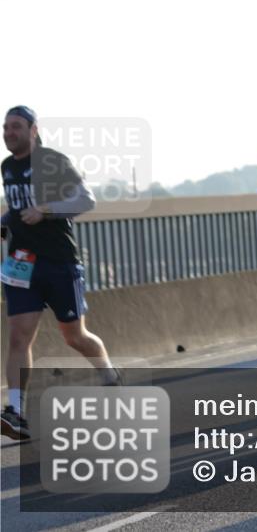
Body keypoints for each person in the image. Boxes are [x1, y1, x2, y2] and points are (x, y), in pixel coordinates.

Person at [2, 106, 122, 441]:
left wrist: (46, 211)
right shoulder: (7, 166)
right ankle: (16, 412)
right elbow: (15, 210)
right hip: (21, 264)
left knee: (75, 336)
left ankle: (110, 377)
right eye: (5, 127)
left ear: (33, 130)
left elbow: (86, 200)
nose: (9, 133)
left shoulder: (52, 162)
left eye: (16, 127)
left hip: (59, 263)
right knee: (18, 337)